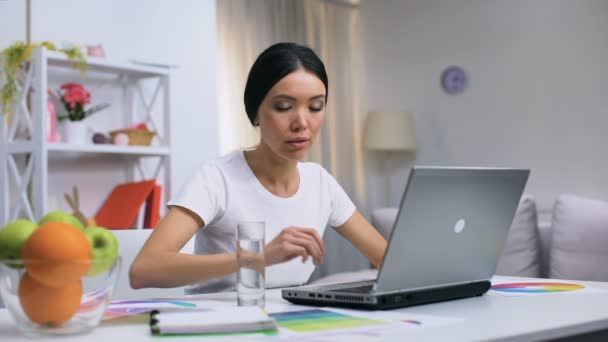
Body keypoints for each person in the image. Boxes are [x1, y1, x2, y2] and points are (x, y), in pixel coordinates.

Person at [129, 42, 387, 294]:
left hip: (291, 324)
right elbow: (144, 270)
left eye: (315, 107)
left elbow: (385, 258)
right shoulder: (217, 179)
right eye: (284, 107)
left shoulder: (320, 182)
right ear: (255, 113)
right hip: (222, 324)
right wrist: (256, 258)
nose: (302, 122)